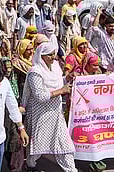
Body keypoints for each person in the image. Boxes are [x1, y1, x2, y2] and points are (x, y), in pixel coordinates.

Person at [21, 42, 77, 172]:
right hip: (40, 115)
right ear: (41, 55)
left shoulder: (56, 66)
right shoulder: (35, 72)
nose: (53, 57)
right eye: (49, 55)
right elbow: (40, 96)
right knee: (37, 144)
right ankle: (30, 166)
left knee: (65, 144)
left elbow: (58, 82)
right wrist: (61, 91)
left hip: (56, 114)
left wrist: (67, 78)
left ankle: (71, 169)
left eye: (54, 54)